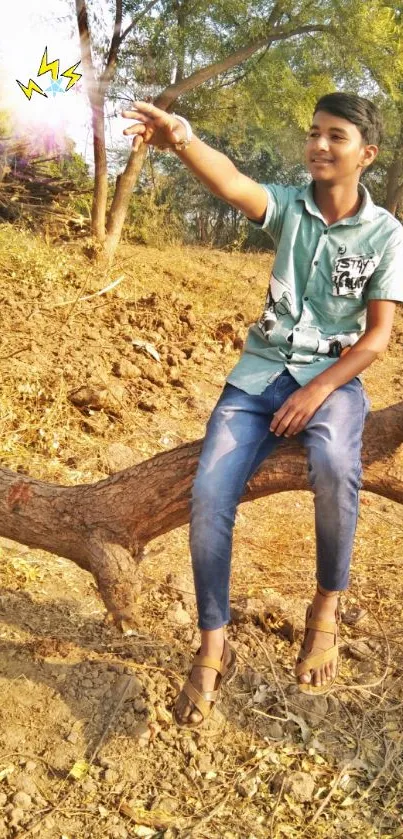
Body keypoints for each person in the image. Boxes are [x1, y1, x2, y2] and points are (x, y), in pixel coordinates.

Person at [122, 93, 403, 729]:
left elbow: (377, 339)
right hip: (257, 376)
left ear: (367, 154)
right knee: (209, 494)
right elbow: (232, 182)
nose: (320, 146)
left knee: (335, 465)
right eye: (314, 133)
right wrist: (181, 137)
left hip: (331, 381)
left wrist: (316, 391)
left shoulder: (386, 234)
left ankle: (327, 605)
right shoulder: (290, 209)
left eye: (336, 136)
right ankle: (215, 641)